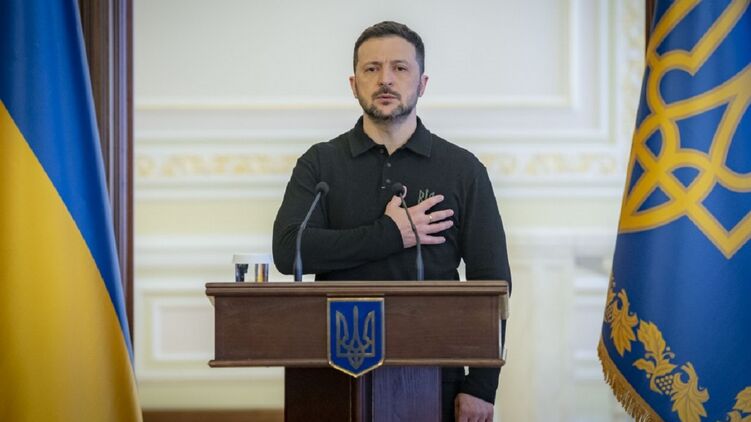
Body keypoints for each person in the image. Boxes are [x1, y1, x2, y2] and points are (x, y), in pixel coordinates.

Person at [273, 21, 511, 422]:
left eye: (400, 68)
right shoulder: (320, 163)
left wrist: (482, 386)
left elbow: (494, 283)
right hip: (330, 374)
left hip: (437, 374)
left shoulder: (463, 169)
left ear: (422, 83)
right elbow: (288, 250)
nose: (385, 79)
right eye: (372, 68)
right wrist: (390, 234)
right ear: (353, 84)